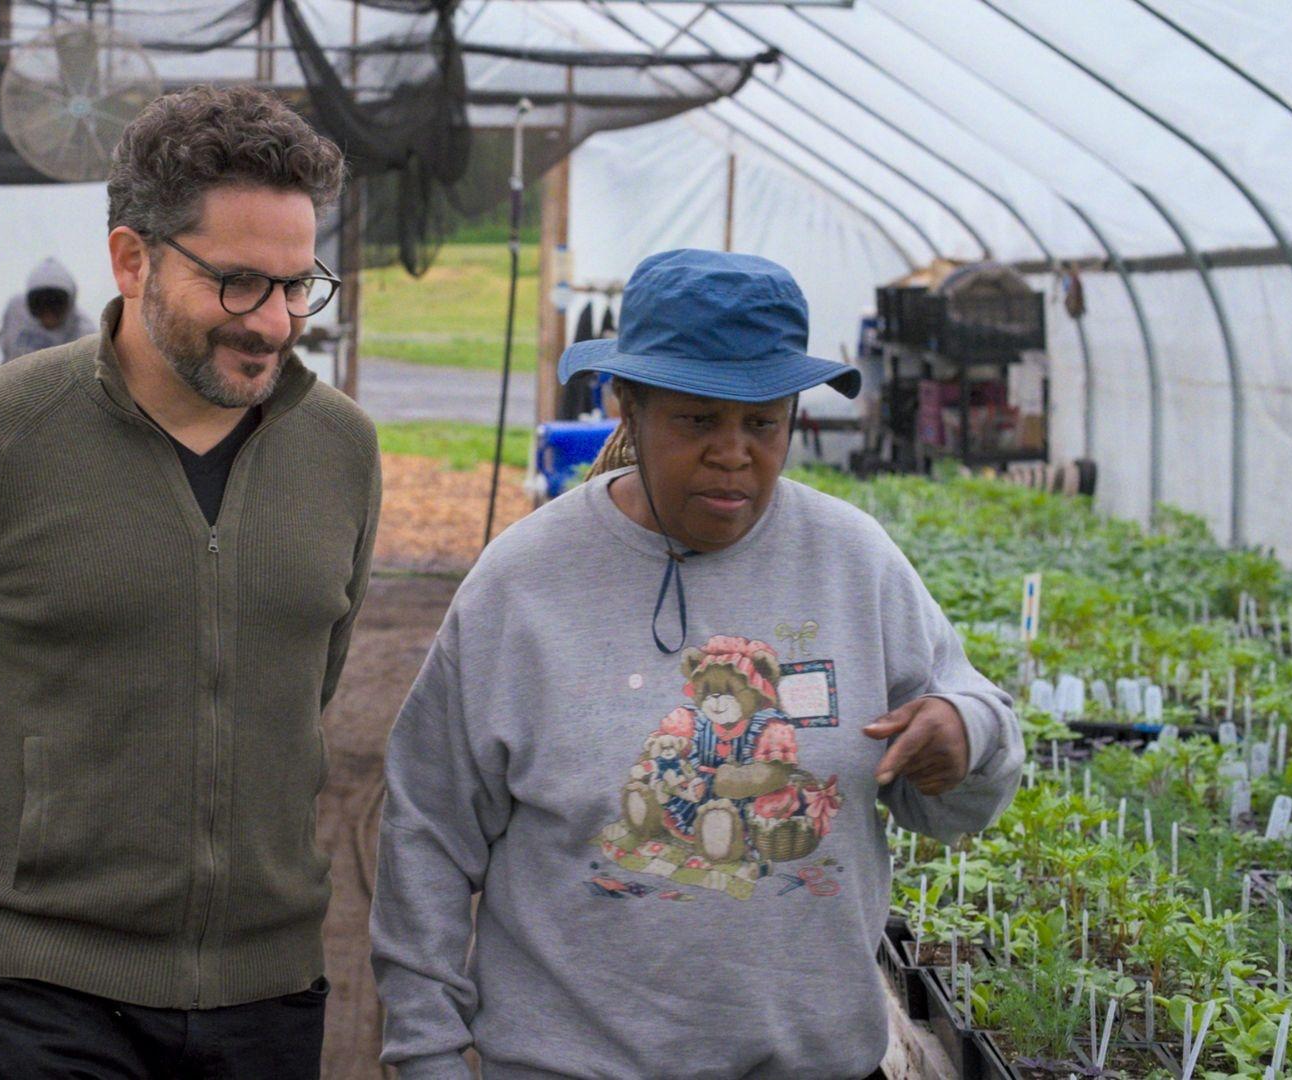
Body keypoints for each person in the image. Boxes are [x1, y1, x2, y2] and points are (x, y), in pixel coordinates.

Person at [370, 249, 1024, 1079]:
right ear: (628, 407)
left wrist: (963, 735)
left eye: (763, 423)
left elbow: (964, 779)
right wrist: (425, 1051)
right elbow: (426, 830)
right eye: (696, 420)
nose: (733, 454)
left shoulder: (853, 563)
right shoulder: (525, 583)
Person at [0, 85, 378, 1079]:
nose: (274, 322)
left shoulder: (341, 453)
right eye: (238, 284)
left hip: (266, 991)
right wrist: (6, 872)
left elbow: (307, 684)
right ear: (132, 258)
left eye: (298, 283)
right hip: (47, 998)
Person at [0, 256, 96, 363]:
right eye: (39, 304)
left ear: (70, 303)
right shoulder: (16, 311)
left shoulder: (85, 336)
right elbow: (5, 348)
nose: (48, 315)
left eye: (56, 305)